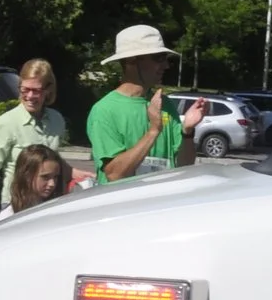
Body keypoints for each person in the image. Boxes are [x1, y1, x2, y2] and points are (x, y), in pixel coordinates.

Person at [87, 25, 206, 182]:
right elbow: (114, 174)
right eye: (158, 58)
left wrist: (188, 131)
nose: (166, 65)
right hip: (124, 205)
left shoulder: (166, 104)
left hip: (159, 203)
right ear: (131, 60)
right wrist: (153, 131)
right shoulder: (104, 111)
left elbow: (184, 165)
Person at [0, 59, 68, 235]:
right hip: (16, 204)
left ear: (48, 90)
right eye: (25, 90)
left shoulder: (56, 120)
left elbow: (52, 162)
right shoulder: (7, 123)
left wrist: (75, 172)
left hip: (47, 201)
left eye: (36, 91)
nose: (29, 96)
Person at [0, 143, 70, 222]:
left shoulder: (57, 207)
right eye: (45, 177)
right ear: (26, 176)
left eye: (55, 177)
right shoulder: (8, 216)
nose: (52, 184)